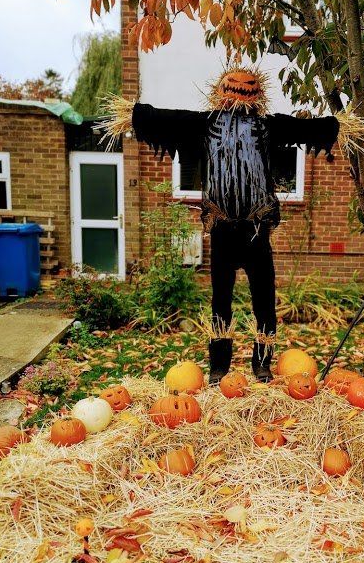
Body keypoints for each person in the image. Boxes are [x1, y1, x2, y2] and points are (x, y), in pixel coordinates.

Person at [126, 67, 342, 381]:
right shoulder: (205, 124)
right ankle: (219, 367)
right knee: (221, 300)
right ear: (221, 90)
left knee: (264, 299)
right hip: (223, 230)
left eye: (247, 87)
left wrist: (337, 126)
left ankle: (262, 363)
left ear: (257, 93)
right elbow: (167, 119)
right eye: (233, 87)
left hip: (257, 231)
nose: (240, 91)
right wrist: (135, 115)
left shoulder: (268, 127)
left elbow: (302, 128)